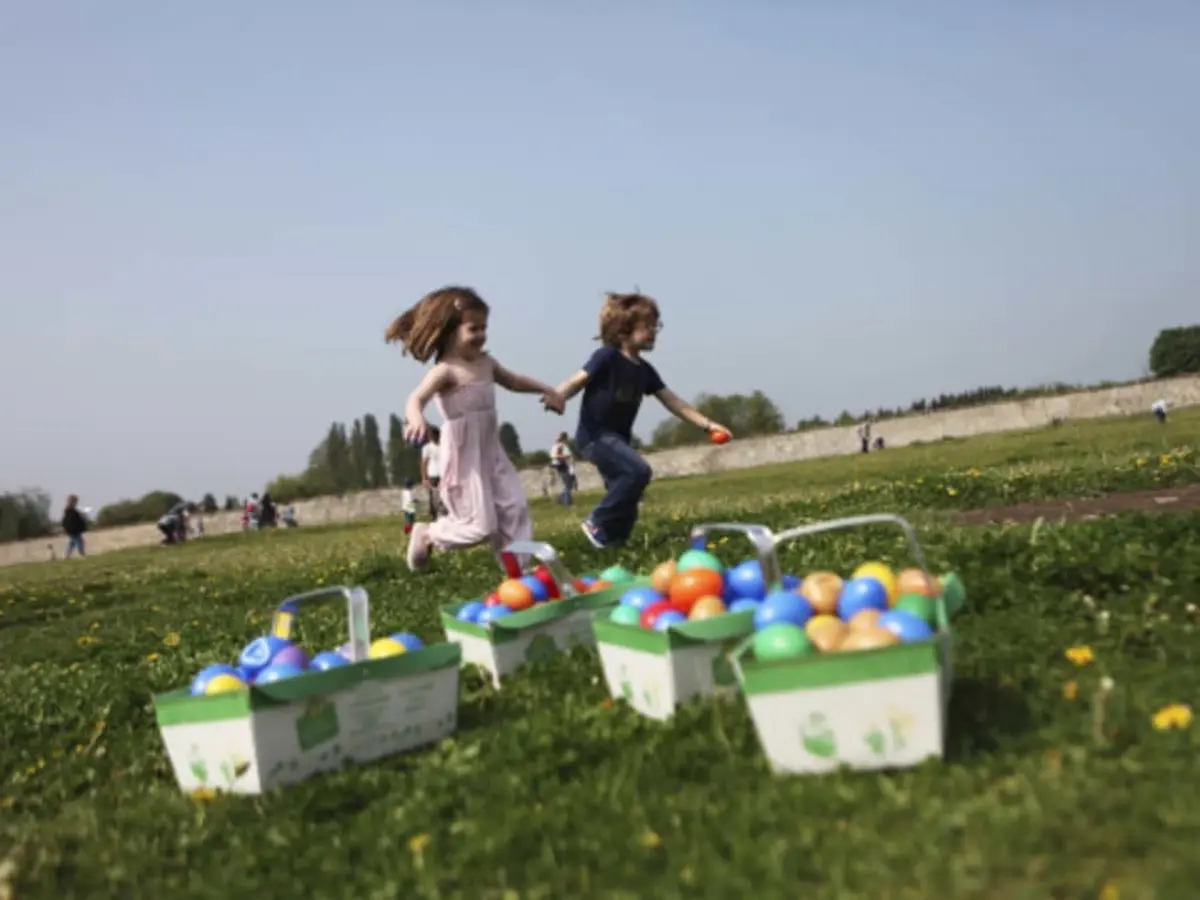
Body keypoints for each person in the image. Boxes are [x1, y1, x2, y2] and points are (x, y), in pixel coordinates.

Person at [384, 285, 565, 573]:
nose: (481, 335)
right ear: (449, 331)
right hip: (464, 460)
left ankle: (518, 572)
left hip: (492, 454)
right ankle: (428, 534)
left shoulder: (486, 363)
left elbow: (514, 380)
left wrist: (548, 390)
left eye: (484, 328)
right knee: (479, 526)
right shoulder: (445, 371)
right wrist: (416, 419)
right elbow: (415, 399)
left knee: (514, 508)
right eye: (473, 329)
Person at [553, 291, 731, 549]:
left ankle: (613, 542)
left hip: (618, 440)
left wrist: (707, 424)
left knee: (628, 495)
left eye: (656, 325)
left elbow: (673, 402)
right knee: (638, 472)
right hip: (595, 437)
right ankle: (597, 522)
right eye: (647, 326)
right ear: (624, 330)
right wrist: (558, 395)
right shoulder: (607, 357)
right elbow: (578, 379)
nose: (654, 331)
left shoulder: (645, 371)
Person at [421, 425, 444, 521]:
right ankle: (434, 515)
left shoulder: (444, 446)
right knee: (433, 496)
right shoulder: (427, 448)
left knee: (444, 495)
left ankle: (444, 514)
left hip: (443, 475)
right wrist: (424, 478)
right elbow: (424, 463)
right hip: (433, 475)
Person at [550, 432, 576, 506]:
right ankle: (569, 503)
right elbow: (555, 456)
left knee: (569, 485)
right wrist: (565, 457)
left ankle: (559, 500)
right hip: (563, 466)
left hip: (566, 465)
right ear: (564, 438)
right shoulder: (560, 446)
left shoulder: (562, 445)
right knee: (567, 485)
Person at [61, 494, 88, 558]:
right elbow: (74, 521)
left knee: (72, 543)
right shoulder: (71, 511)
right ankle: (82, 553)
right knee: (79, 542)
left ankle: (67, 555)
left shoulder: (69, 511)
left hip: (72, 530)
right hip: (74, 530)